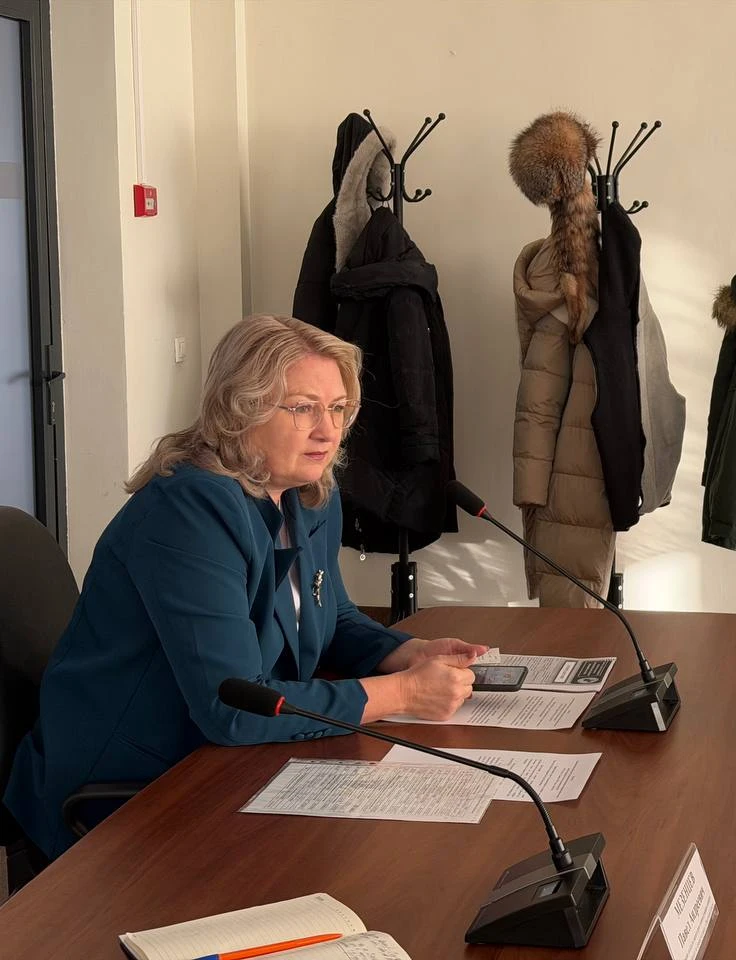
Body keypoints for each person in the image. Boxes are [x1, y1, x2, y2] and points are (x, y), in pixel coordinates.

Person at [4, 314, 484, 859]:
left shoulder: (309, 494)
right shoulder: (189, 509)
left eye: (338, 408)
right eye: (303, 408)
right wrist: (405, 693)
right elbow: (231, 706)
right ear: (241, 409)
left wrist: (408, 653)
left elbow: (332, 619)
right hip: (134, 791)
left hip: (229, 764)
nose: (327, 430)